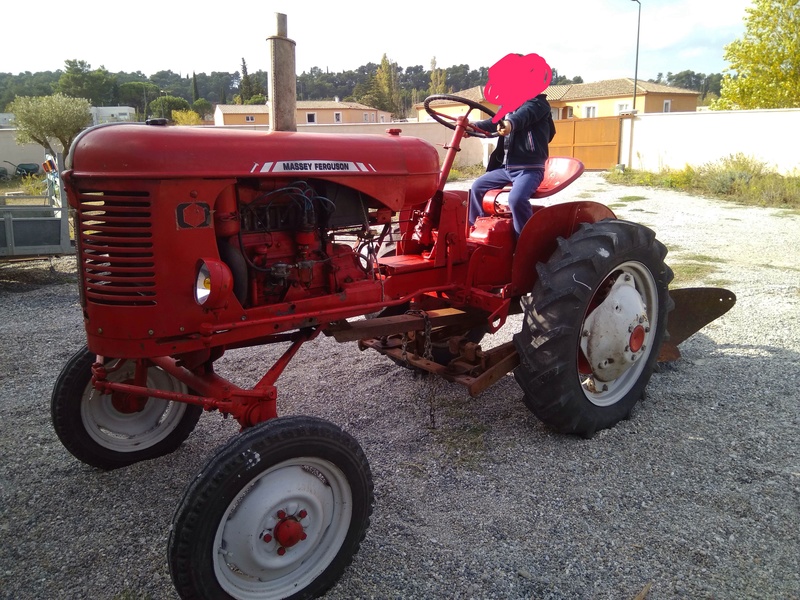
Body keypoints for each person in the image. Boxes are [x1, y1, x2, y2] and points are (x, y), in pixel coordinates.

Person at [468, 93, 556, 236]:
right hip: (506, 167)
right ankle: (475, 229)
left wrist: (510, 123)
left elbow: (523, 116)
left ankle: (524, 241)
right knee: (478, 187)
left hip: (529, 168)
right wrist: (473, 127)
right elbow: (494, 122)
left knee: (516, 199)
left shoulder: (538, 103)